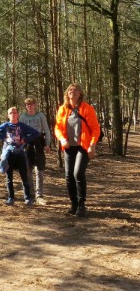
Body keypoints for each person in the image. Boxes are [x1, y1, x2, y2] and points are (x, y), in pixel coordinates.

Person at [54, 83, 100, 218]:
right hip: (69, 146)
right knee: (68, 176)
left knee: (78, 173)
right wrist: (62, 139)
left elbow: (95, 129)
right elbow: (57, 127)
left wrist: (92, 144)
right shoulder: (63, 109)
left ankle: (81, 205)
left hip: (83, 146)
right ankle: (73, 204)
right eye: (70, 90)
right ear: (67, 94)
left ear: (80, 94)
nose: (72, 92)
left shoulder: (87, 109)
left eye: (75, 90)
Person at [0, 107, 40, 206]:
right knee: (9, 178)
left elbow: (35, 133)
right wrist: (4, 137)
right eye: (10, 113)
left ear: (18, 115)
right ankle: (11, 198)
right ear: (8, 115)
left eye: (15, 112)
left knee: (24, 177)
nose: (13, 114)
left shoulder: (22, 126)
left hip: (20, 153)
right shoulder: (5, 126)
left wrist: (25, 140)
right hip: (8, 154)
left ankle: (28, 198)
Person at [19, 97, 52, 205]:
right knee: (28, 169)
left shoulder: (40, 115)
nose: (29, 106)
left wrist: (47, 144)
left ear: (35, 105)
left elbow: (46, 129)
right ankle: (30, 195)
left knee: (40, 169)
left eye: (31, 104)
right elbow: (20, 132)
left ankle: (39, 195)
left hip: (38, 143)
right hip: (27, 144)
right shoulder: (23, 117)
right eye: (27, 104)